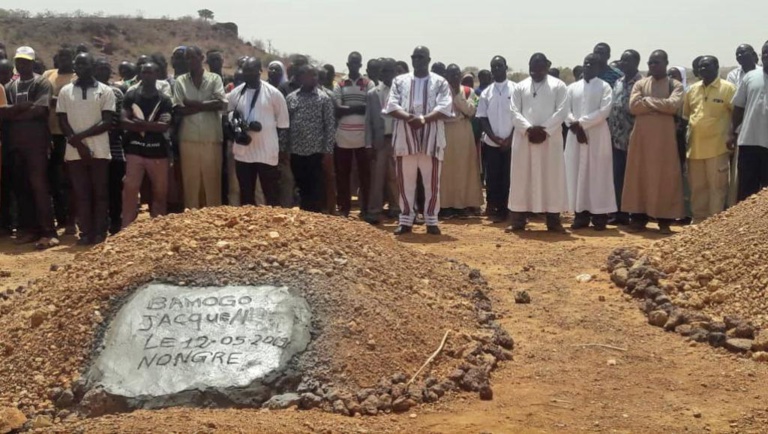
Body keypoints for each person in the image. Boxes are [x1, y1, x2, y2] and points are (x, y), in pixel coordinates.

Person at [385, 46, 453, 235]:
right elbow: (391, 105)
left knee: (432, 183)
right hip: (405, 139)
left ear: (428, 60)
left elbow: (445, 107)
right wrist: (409, 118)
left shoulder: (440, 82)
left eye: (421, 57)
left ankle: (431, 220)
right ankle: (406, 220)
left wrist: (423, 119)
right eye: (414, 57)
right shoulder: (399, 81)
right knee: (405, 183)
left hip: (431, 140)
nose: (417, 60)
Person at [0, 46, 59, 249]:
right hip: (15, 145)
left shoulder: (41, 83)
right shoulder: (10, 86)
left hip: (36, 145)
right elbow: (2, 113)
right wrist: (20, 108)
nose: (21, 64)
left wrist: (12, 113)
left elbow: (40, 111)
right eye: (18, 61)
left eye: (25, 61)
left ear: (32, 62)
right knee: (21, 188)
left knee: (39, 186)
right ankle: (29, 230)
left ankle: (48, 232)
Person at [622, 50, 685, 234]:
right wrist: (659, 105)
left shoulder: (675, 85)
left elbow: (673, 106)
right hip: (641, 140)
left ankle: (664, 219)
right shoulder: (640, 84)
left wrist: (648, 101)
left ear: (666, 63)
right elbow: (634, 107)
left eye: (657, 62)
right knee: (639, 175)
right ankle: (638, 217)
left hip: (665, 141)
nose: (653, 66)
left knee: (665, 177)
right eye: (650, 63)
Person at [57, 52, 117, 245]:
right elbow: (62, 121)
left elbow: (107, 122)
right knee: (81, 194)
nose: (79, 67)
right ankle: (85, 233)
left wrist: (80, 137)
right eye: (77, 64)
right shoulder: (65, 91)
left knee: (100, 193)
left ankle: (100, 232)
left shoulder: (105, 91)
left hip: (99, 150)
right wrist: (78, 144)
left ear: (92, 66)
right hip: (74, 152)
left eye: (84, 64)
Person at [506, 53, 569, 233]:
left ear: (547, 67)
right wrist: (528, 129)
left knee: (552, 178)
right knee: (521, 178)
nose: (535, 72)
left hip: (550, 140)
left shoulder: (559, 86)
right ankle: (518, 220)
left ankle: (554, 221)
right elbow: (514, 111)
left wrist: (544, 130)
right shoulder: (520, 87)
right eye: (532, 68)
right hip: (524, 139)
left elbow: (562, 111)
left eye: (539, 68)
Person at [227, 57, 289, 207]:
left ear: (260, 71)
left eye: (252, 71)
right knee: (246, 196)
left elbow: (283, 125)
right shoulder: (235, 94)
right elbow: (229, 118)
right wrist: (242, 126)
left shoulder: (274, 94)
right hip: (244, 153)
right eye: (245, 71)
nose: (248, 74)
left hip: (267, 153)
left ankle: (274, 221)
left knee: (271, 195)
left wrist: (281, 151)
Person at [564, 54, 616, 231]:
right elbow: (565, 109)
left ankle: (599, 216)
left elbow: (604, 111)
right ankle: (580, 215)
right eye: (586, 63)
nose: (587, 66)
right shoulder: (572, 88)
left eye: (592, 64)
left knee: (598, 175)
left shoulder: (605, 87)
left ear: (598, 68)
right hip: (575, 136)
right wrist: (575, 126)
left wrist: (581, 124)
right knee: (576, 173)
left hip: (597, 135)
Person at [172, 46, 227, 209]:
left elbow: (221, 104)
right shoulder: (180, 81)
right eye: (187, 58)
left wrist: (193, 104)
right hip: (188, 138)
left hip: (212, 138)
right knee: (191, 183)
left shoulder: (215, 79)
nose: (189, 61)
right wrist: (206, 105)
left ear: (202, 58)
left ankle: (213, 217)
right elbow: (178, 109)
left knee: (212, 182)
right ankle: (192, 217)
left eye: (192, 57)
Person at [682, 56, 735, 223]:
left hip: (717, 148)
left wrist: (732, 136)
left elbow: (736, 115)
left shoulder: (728, 88)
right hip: (695, 149)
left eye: (706, 66)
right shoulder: (692, 90)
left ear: (716, 67)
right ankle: (698, 222)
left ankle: (714, 224)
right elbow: (687, 116)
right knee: (697, 188)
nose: (703, 69)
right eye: (700, 67)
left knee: (717, 188)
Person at [120, 62, 173, 228]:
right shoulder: (131, 96)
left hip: (158, 153)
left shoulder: (164, 100)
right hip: (134, 151)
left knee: (160, 192)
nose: (146, 75)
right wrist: (151, 126)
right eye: (144, 72)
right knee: (130, 190)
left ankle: (158, 228)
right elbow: (123, 121)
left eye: (150, 72)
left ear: (157, 74)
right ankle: (126, 228)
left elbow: (164, 126)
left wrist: (140, 125)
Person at [284, 65, 336, 212]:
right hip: (296, 151)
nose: (314, 78)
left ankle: (314, 215)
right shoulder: (291, 98)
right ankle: (305, 214)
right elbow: (285, 125)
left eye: (315, 75)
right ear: (301, 78)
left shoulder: (324, 99)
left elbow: (329, 126)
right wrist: (284, 148)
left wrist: (328, 151)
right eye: (311, 75)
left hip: (316, 151)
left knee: (315, 187)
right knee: (301, 185)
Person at [334, 52, 375, 218]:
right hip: (343, 137)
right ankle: (344, 208)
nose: (354, 65)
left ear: (360, 65)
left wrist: (348, 108)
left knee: (365, 176)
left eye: (357, 63)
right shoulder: (340, 83)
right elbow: (337, 108)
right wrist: (359, 107)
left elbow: (370, 107)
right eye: (352, 63)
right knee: (343, 174)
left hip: (363, 137)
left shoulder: (368, 83)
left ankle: (365, 209)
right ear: (347, 64)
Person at [42, 45, 77, 234]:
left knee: (67, 179)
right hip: (48, 133)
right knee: (52, 178)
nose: (63, 60)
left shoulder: (76, 78)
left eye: (67, 56)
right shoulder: (48, 74)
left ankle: (72, 219)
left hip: (67, 134)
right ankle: (60, 218)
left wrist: (55, 101)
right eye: (61, 56)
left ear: (72, 58)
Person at [440, 64, 482, 218]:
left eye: (457, 74)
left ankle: (463, 204)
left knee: (464, 169)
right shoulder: (439, 90)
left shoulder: (469, 91)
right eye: (451, 75)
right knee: (445, 171)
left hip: (463, 131)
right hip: (444, 131)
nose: (454, 77)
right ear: (446, 76)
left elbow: (471, 111)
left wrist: (458, 94)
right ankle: (444, 206)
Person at [477, 56, 515, 223]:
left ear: (506, 67)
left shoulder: (516, 89)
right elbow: (482, 118)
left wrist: (510, 138)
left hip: (512, 143)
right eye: (494, 66)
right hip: (492, 143)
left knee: (509, 177)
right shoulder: (486, 93)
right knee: (493, 178)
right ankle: (494, 207)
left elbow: (519, 116)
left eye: (500, 66)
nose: (496, 69)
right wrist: (494, 138)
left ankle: (509, 209)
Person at [608, 49, 642, 226]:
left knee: (633, 178)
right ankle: (618, 213)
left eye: (627, 61)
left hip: (634, 138)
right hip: (616, 139)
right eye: (622, 60)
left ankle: (634, 213)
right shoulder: (618, 82)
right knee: (617, 177)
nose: (623, 63)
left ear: (636, 63)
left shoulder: (642, 83)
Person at [730, 41, 768, 202]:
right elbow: (738, 107)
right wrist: (731, 133)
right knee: (746, 190)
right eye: (764, 52)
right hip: (749, 142)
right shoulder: (751, 77)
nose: (766, 55)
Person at [364, 58, 400, 224]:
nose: (387, 74)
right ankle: (374, 211)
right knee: (377, 178)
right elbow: (368, 121)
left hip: (398, 139)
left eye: (390, 71)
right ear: (380, 73)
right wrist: (368, 144)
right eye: (384, 71)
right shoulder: (373, 93)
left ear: (395, 72)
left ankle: (399, 209)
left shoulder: (402, 92)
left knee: (396, 177)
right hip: (380, 141)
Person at [94, 59, 126, 235]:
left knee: (114, 188)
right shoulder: (89, 91)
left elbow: (117, 122)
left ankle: (115, 222)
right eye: (99, 68)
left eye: (105, 69)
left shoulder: (117, 93)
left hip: (113, 148)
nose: (102, 72)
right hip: (92, 147)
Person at [726, 44, 759, 208]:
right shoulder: (733, 75)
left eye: (743, 53)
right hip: (742, 131)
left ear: (754, 54)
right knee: (741, 175)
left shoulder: (760, 73)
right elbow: (737, 102)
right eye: (737, 54)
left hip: (760, 130)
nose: (740, 56)